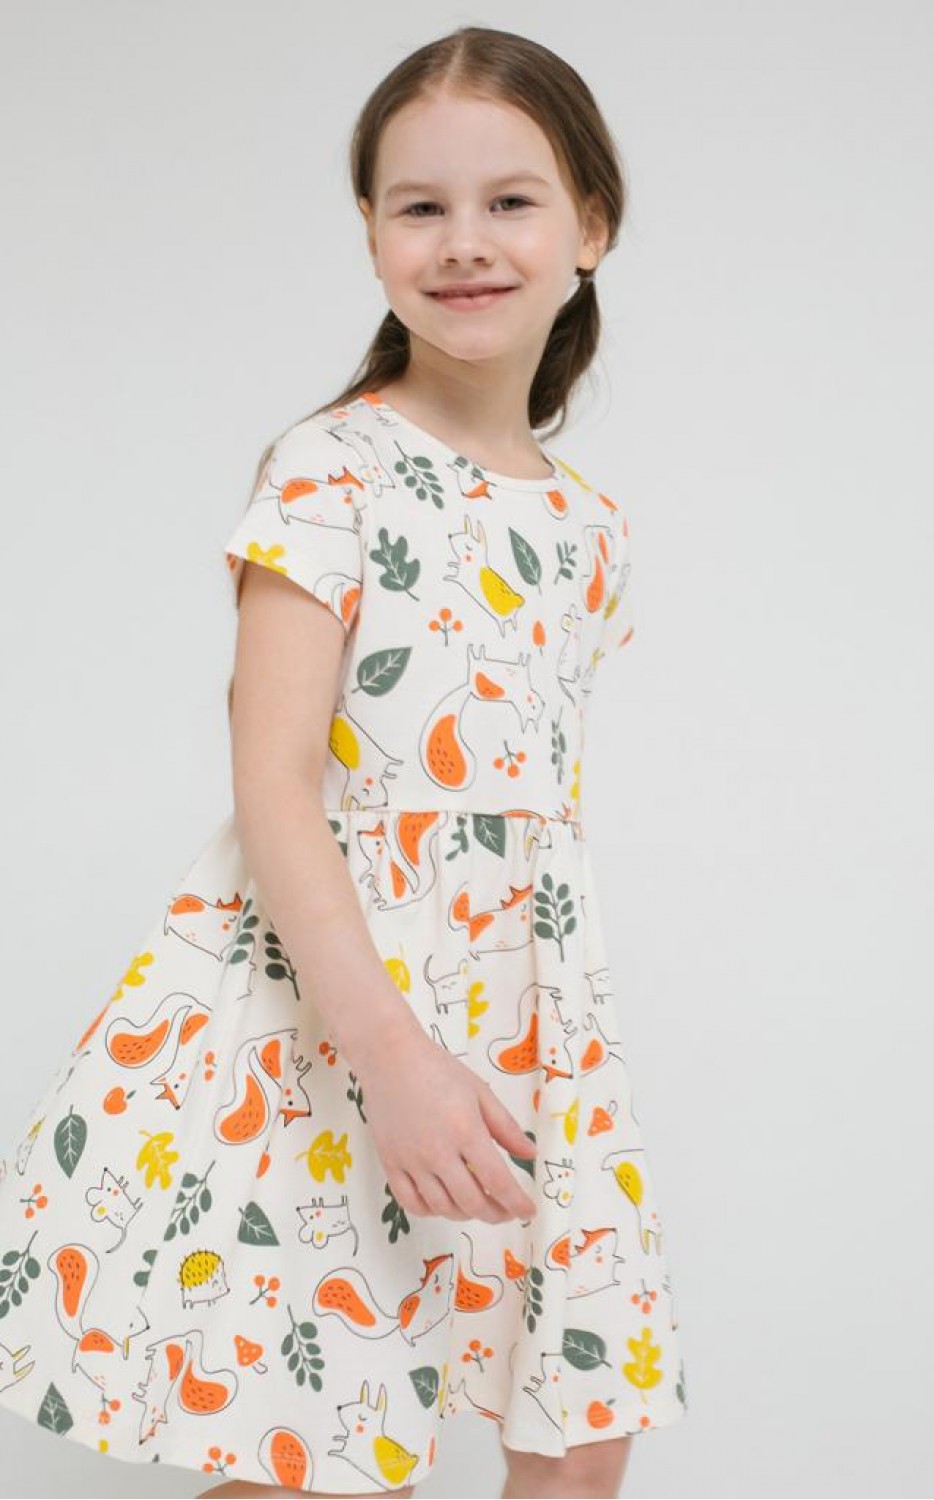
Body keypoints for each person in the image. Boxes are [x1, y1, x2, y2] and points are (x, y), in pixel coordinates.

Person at [0, 24, 686, 1500]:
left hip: (534, 1019)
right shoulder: (329, 469)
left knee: (580, 1430)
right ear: (372, 232)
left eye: (510, 200)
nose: (464, 241)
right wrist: (390, 1059)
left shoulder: (593, 527)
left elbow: (529, 824)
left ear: (591, 226)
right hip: (336, 1020)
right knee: (312, 1453)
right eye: (420, 205)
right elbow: (272, 786)